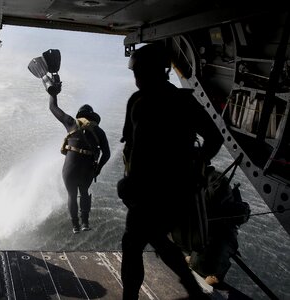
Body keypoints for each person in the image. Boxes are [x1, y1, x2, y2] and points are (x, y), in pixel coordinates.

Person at [118, 43, 223, 299]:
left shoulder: (139, 102)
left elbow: (135, 150)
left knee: (133, 244)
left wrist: (128, 184)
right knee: (155, 238)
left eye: (140, 71)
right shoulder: (183, 102)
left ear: (155, 71)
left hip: (150, 191)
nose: (137, 77)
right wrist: (195, 162)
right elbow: (214, 139)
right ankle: (191, 288)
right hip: (174, 189)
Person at [49, 92, 111, 234]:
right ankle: (85, 223)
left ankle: (75, 226)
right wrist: (98, 169)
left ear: (80, 115)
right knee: (84, 193)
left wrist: (52, 93)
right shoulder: (99, 131)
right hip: (87, 170)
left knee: (71, 195)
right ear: (92, 117)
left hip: (70, 167)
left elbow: (52, 107)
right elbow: (107, 154)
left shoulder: (71, 123)